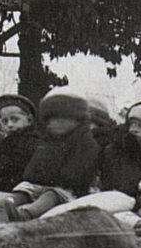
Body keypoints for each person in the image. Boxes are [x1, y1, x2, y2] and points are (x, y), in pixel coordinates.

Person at [12, 91, 102, 219]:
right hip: (45, 185)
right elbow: (31, 173)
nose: (53, 124)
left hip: (71, 192)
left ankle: (27, 213)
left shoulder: (86, 144)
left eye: (60, 119)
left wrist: (49, 176)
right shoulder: (48, 142)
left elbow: (75, 177)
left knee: (53, 194)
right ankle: (4, 207)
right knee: (25, 187)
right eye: (50, 120)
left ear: (76, 119)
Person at [0, 93, 40, 193]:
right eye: (5, 121)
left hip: (21, 192)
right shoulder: (5, 144)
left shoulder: (34, 143)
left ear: (29, 120)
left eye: (15, 119)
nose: (10, 125)